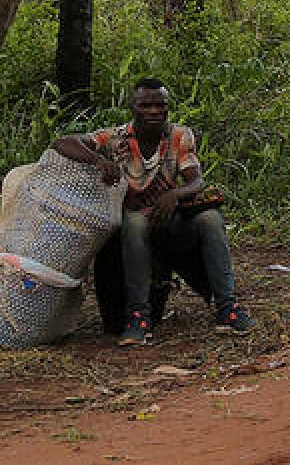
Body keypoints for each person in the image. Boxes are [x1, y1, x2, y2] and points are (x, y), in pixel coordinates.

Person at [53, 78, 253, 345]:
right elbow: (63, 143)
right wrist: (99, 160)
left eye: (160, 105)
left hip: (167, 219)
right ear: (133, 108)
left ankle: (228, 307)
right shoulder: (116, 138)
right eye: (146, 105)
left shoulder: (179, 135)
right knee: (134, 223)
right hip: (134, 223)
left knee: (210, 218)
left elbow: (196, 181)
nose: (154, 111)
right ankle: (139, 315)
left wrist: (175, 194)